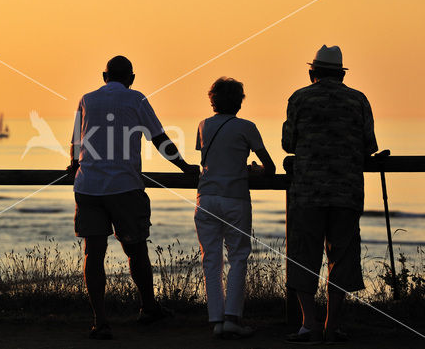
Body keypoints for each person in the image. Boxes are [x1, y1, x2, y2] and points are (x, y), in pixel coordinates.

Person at [68, 55, 200, 340]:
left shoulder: (86, 99)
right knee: (136, 249)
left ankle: (100, 321)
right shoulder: (136, 99)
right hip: (124, 185)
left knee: (93, 253)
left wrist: (74, 165)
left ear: (105, 76)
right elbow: (159, 139)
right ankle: (148, 307)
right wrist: (184, 167)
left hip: (88, 186)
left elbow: (76, 143)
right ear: (131, 79)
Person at [283, 45, 378, 344]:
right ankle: (331, 325)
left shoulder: (299, 98)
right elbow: (369, 145)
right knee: (343, 257)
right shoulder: (358, 100)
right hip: (347, 191)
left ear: (312, 72)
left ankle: (308, 324)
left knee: (303, 256)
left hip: (307, 192)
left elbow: (288, 144)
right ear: (340, 74)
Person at [194, 77, 275, 339]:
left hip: (205, 198)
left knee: (211, 259)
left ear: (212, 100)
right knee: (238, 257)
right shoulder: (247, 127)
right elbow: (270, 168)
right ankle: (233, 318)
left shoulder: (203, 125)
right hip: (235, 198)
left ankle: (216, 319)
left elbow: (210, 158)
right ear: (239, 101)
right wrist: (255, 170)